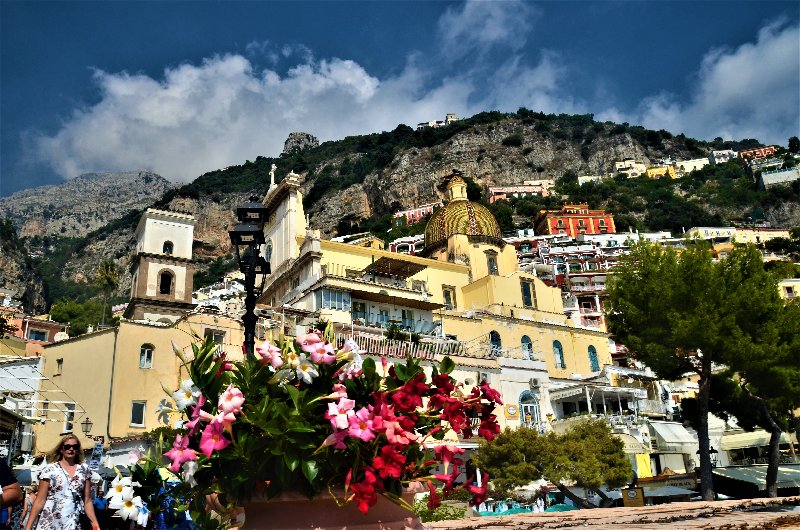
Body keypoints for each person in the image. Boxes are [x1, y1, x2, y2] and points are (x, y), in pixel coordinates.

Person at [24, 436, 101, 530]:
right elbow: (40, 500)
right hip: (50, 522)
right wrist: (28, 527)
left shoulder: (84, 470)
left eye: (75, 446)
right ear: (61, 449)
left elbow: (87, 501)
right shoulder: (50, 469)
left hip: (73, 521)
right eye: (67, 446)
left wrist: (95, 524)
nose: (71, 449)